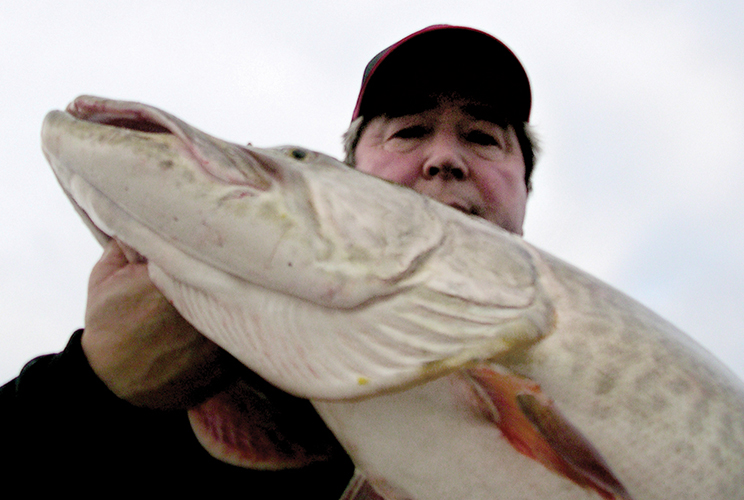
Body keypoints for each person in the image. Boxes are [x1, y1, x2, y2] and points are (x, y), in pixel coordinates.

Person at [0, 25, 537, 493]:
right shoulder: (217, 367)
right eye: (409, 132)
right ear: (348, 174)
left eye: (483, 138)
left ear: (524, 190)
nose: (445, 158)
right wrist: (92, 387)